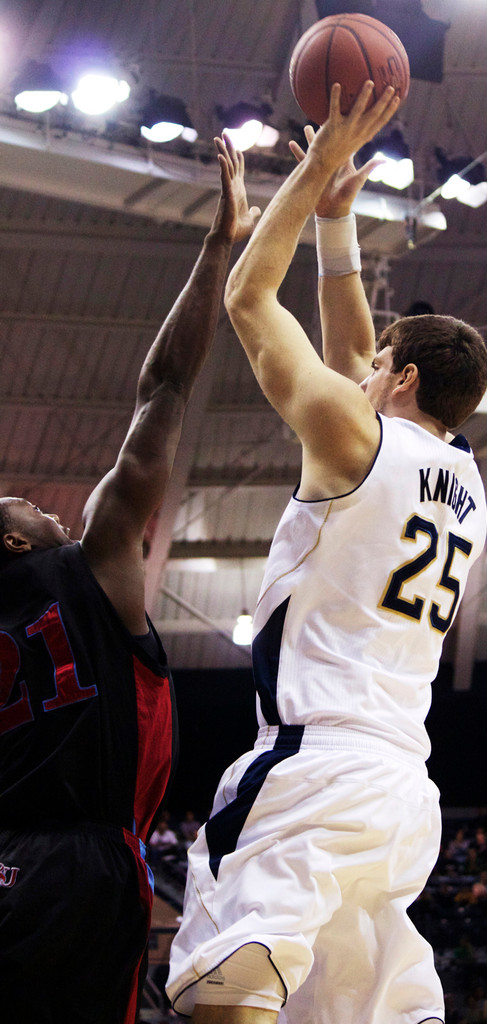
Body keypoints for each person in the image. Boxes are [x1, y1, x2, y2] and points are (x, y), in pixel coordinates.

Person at [167, 81, 487, 1024]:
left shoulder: (356, 440)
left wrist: (312, 168)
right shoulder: (466, 477)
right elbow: (355, 357)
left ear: (404, 379)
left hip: (312, 762)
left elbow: (246, 297)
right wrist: (337, 228)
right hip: (400, 789)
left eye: (382, 363)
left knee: (230, 984)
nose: (364, 368)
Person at [0, 132, 259, 1024]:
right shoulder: (93, 563)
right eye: (26, 506)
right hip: (80, 863)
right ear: (14, 543)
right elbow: (165, 389)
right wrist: (217, 244)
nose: (47, 508)